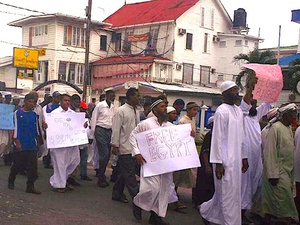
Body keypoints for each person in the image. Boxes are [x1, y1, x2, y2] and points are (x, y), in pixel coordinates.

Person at [200, 80, 249, 225]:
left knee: (232, 194)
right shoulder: (221, 111)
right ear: (226, 93)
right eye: (234, 90)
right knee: (226, 194)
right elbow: (217, 138)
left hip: (236, 159)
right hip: (224, 161)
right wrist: (218, 162)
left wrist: (244, 157)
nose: (237, 93)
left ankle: (207, 212)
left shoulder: (238, 110)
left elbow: (242, 136)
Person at [130, 98, 173, 225]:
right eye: (162, 106)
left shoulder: (169, 126)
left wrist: (189, 135)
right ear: (154, 110)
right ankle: (137, 203)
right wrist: (137, 152)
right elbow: (133, 136)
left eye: (165, 106)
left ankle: (156, 217)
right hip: (150, 162)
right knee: (151, 189)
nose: (165, 108)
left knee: (163, 190)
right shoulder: (146, 123)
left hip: (165, 164)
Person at [261, 103, 298, 224]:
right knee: (283, 199)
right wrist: (273, 174)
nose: (294, 118)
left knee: (277, 200)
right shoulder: (275, 128)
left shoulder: (288, 128)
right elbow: (270, 152)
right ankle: (286, 219)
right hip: (277, 172)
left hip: (287, 171)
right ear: (285, 115)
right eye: (293, 115)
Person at [239, 92, 271, 222]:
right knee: (243, 185)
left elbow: (267, 104)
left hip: (257, 157)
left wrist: (271, 88)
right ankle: (240, 214)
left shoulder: (255, 115)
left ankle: (248, 211)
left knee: (255, 184)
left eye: (255, 103)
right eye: (251, 102)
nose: (254, 104)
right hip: (245, 157)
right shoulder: (242, 115)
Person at [111, 88, 142, 219]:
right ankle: (137, 202)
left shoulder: (137, 111)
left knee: (124, 173)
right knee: (130, 177)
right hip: (124, 147)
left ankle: (117, 193)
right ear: (130, 97)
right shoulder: (121, 111)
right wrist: (115, 145)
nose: (139, 98)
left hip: (135, 148)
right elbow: (116, 128)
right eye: (137, 96)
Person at [7, 93, 41, 194]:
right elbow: (15, 128)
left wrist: (37, 141)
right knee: (18, 164)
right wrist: (16, 141)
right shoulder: (17, 113)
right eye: (30, 102)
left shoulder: (34, 114)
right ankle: (11, 180)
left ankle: (30, 186)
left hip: (31, 144)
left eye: (33, 102)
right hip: (21, 143)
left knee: (32, 167)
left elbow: (36, 129)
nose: (31, 104)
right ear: (25, 102)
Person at [48, 94, 81, 193]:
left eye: (68, 100)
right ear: (60, 101)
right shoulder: (54, 113)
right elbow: (50, 127)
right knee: (60, 163)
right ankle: (60, 185)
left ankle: (57, 180)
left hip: (70, 143)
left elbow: (77, 126)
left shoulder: (73, 113)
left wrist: (83, 125)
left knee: (75, 160)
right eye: (65, 100)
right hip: (58, 143)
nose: (67, 102)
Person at [174, 102, 199, 201]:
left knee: (191, 173)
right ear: (188, 110)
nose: (195, 112)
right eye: (194, 110)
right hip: (183, 150)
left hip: (191, 149)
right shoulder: (183, 121)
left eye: (196, 110)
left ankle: (194, 196)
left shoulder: (193, 120)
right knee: (178, 173)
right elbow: (179, 136)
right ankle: (173, 192)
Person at [91, 90, 115, 188]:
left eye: (114, 96)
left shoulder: (113, 107)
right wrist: (92, 134)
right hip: (100, 129)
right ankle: (100, 176)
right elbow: (94, 119)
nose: (112, 98)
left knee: (108, 154)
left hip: (109, 131)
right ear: (107, 96)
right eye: (111, 96)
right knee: (104, 153)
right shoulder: (100, 105)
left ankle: (102, 174)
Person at [193, 116, 215, 209]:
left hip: (212, 163)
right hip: (206, 163)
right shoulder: (209, 136)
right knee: (203, 184)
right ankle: (200, 203)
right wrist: (207, 166)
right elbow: (205, 152)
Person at [42, 91, 61, 169]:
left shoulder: (61, 107)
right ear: (53, 98)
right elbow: (44, 118)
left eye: (59, 97)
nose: (58, 99)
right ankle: (46, 160)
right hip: (49, 129)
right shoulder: (47, 107)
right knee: (48, 147)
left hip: (58, 130)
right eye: (57, 97)